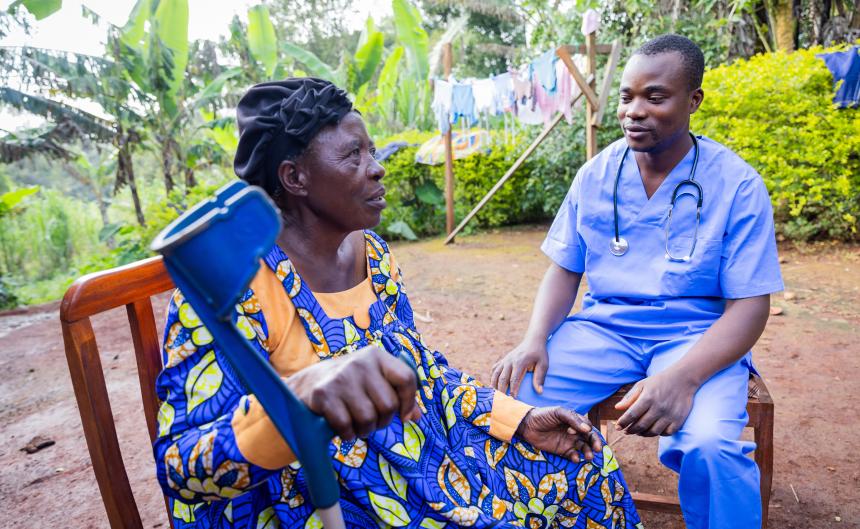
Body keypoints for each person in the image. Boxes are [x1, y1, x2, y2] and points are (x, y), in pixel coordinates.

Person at [152, 77, 642, 529]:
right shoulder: (233, 289)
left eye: (371, 150)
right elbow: (181, 466)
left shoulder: (372, 254)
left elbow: (425, 372)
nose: (377, 166)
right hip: (325, 500)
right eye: (353, 155)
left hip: (422, 466)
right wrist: (298, 397)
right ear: (295, 177)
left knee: (584, 468)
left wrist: (518, 419)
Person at [491, 34, 783, 529]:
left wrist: (683, 379)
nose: (634, 111)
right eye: (626, 96)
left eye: (655, 96)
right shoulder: (595, 175)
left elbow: (751, 306)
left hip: (698, 337)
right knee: (513, 410)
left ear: (693, 101)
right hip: (605, 330)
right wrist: (534, 338)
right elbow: (565, 268)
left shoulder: (737, 185)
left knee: (712, 446)